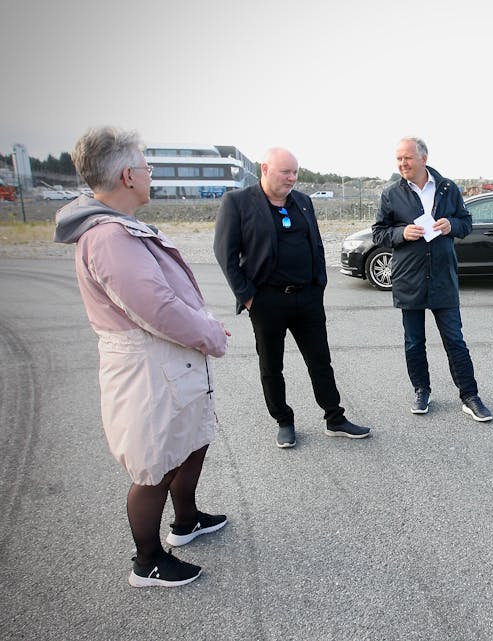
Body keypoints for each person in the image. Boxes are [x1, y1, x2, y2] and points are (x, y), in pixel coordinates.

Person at [53, 126, 230, 588]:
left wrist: (200, 330)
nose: (150, 175)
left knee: (189, 441)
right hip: (147, 367)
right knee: (156, 462)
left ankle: (186, 520)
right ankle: (148, 560)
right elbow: (157, 308)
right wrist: (210, 334)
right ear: (129, 175)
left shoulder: (117, 227)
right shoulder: (108, 236)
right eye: (147, 167)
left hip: (168, 359)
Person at [214, 147, 370, 447]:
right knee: (272, 366)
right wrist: (248, 298)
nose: (292, 178)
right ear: (265, 169)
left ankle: (334, 418)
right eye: (285, 172)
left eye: (295, 172)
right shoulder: (238, 202)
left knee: (320, 361)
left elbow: (316, 244)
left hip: (307, 298)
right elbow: (225, 253)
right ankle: (283, 420)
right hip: (266, 301)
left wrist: (319, 284)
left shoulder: (303, 202)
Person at [372, 137, 492, 422]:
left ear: (423, 158)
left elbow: (466, 223)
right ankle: (421, 390)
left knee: (455, 340)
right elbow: (379, 232)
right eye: (398, 158)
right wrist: (402, 233)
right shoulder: (391, 194)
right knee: (414, 342)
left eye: (407, 158)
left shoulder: (448, 188)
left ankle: (470, 396)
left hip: (442, 277)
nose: (402, 163)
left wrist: (452, 225)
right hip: (409, 278)